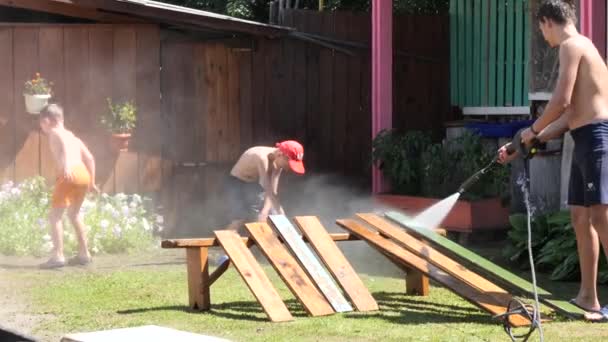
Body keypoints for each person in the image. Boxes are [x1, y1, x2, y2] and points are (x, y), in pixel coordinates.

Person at [498, 0, 608, 322]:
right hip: (584, 136)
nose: (542, 35)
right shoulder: (585, 48)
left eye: (540, 27)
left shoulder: (572, 45)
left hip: (598, 139)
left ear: (548, 21)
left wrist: (531, 129)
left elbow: (559, 102)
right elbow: (572, 114)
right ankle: (588, 296)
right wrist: (530, 140)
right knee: (579, 216)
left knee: (601, 217)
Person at [217, 140, 305, 264]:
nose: (289, 168)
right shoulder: (262, 158)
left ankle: (281, 255)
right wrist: (265, 212)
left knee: (274, 215)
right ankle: (223, 254)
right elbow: (267, 188)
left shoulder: (278, 163)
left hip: (253, 185)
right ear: (281, 154)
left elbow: (273, 190)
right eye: (289, 163)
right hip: (236, 183)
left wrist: (277, 212)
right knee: (239, 219)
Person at [38, 104, 98, 269]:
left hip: (69, 174)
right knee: (74, 214)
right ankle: (84, 253)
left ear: (47, 121)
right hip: (83, 174)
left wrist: (65, 166)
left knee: (55, 216)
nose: (42, 127)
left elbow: (63, 147)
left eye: (41, 124)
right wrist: (92, 182)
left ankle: (58, 256)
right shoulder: (73, 136)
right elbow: (90, 158)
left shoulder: (54, 132)